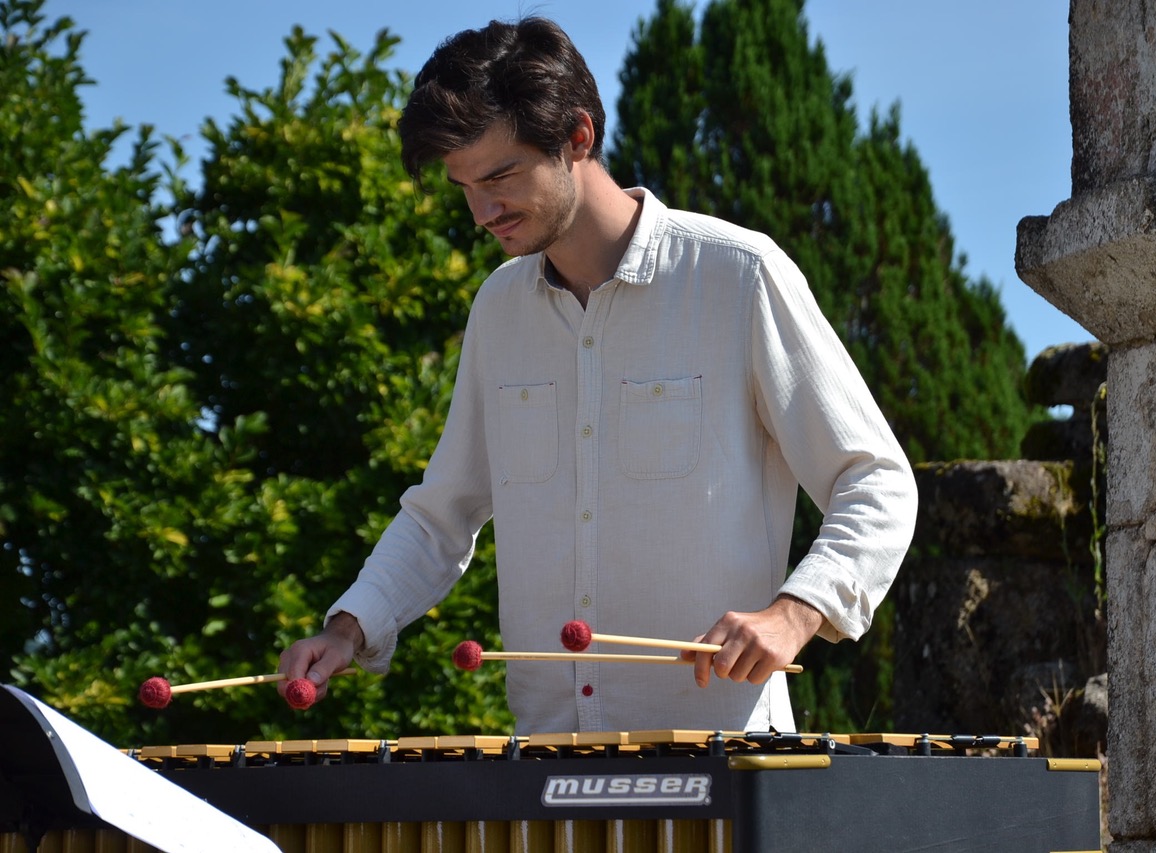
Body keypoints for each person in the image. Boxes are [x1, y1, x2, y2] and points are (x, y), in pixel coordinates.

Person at [278, 16, 917, 734]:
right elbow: (442, 515)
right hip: (549, 765)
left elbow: (876, 479)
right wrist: (348, 627)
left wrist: (797, 611)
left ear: (577, 138)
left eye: (501, 176)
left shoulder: (739, 276)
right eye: (465, 187)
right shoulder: (498, 310)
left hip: (725, 759)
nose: (483, 212)